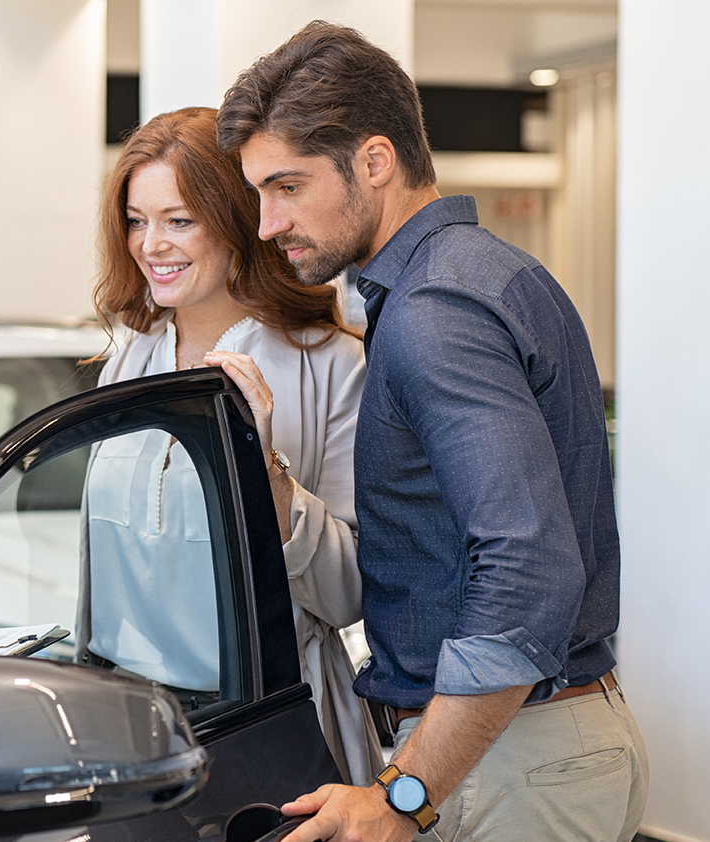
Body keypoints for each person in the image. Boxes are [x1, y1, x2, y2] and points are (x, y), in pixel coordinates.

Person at [217, 21, 647, 842]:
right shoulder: (487, 273)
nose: (268, 223)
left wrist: (403, 794)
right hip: (531, 750)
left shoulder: (434, 312)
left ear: (374, 161)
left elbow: (528, 566)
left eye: (288, 186)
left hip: (511, 763)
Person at [84, 106, 379, 787]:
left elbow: (348, 595)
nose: (150, 243)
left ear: (238, 221)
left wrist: (267, 474)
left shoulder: (332, 366)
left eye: (179, 220)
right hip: (136, 735)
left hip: (272, 728)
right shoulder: (128, 362)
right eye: (137, 219)